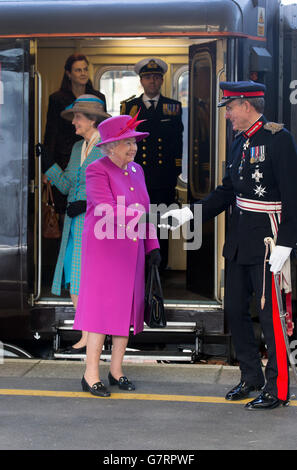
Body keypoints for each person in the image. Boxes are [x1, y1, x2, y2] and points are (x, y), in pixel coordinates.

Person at [160, 81, 297, 410]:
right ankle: (251, 377)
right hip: (238, 243)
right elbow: (226, 193)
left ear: (247, 105)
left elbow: (293, 196)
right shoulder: (238, 143)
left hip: (268, 241)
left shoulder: (279, 139)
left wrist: (286, 244)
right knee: (235, 311)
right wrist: (189, 215)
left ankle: (278, 389)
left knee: (270, 318)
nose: (228, 115)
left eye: (230, 108)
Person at [73, 114, 161, 397]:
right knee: (101, 312)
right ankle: (90, 375)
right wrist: (137, 215)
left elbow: (145, 206)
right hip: (104, 250)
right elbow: (104, 209)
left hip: (130, 250)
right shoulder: (97, 170)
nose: (133, 148)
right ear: (111, 147)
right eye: (126, 143)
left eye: (134, 142)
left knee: (126, 310)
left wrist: (152, 246)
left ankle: (116, 370)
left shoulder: (137, 171)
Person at [42, 95, 110, 353]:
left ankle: (92, 337)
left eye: (77, 118)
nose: (74, 123)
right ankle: (86, 333)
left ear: (92, 119)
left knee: (87, 279)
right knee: (75, 275)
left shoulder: (106, 146)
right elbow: (68, 184)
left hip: (96, 222)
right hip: (74, 222)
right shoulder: (76, 148)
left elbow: (112, 187)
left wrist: (90, 205)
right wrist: (48, 164)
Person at [120, 58, 183, 269]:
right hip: (136, 177)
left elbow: (177, 143)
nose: (152, 82)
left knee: (160, 225)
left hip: (163, 179)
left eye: (156, 77)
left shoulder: (173, 107)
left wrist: (175, 173)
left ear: (162, 80)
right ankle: (136, 265)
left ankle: (159, 269)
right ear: (141, 80)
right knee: (136, 222)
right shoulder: (129, 107)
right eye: (148, 77)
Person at [43, 53, 107, 215]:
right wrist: (46, 167)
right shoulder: (57, 98)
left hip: (92, 151)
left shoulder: (98, 98)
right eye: (78, 70)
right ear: (69, 74)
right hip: (64, 158)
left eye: (85, 69)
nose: (83, 73)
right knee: (65, 207)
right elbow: (52, 132)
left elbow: (103, 127)